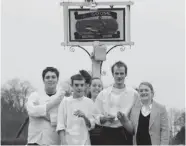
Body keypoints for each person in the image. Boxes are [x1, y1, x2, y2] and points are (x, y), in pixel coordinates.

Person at [94, 61, 137, 145]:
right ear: (113, 74)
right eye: (116, 73)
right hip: (106, 133)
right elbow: (95, 115)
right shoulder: (103, 93)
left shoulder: (134, 94)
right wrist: (104, 118)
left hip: (125, 133)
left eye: (122, 73)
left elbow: (136, 119)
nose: (119, 76)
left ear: (126, 74)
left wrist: (125, 120)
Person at [26, 67, 64, 145]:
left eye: (53, 77)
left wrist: (45, 116)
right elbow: (31, 110)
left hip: (54, 141)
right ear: (43, 80)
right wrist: (54, 103)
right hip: (34, 141)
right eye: (47, 77)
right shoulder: (35, 96)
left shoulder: (63, 99)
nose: (50, 79)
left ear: (57, 80)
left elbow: (64, 121)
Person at [56, 74, 95, 145]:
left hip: (84, 141)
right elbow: (60, 124)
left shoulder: (89, 102)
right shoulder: (65, 102)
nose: (79, 88)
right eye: (76, 85)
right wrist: (63, 142)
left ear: (85, 86)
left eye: (81, 85)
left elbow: (92, 125)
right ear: (72, 86)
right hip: (68, 141)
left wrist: (84, 117)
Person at [88, 77, 103, 145]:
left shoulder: (106, 104)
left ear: (102, 89)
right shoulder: (84, 103)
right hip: (87, 138)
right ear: (89, 87)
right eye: (94, 85)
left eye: (99, 86)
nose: (97, 88)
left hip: (103, 138)